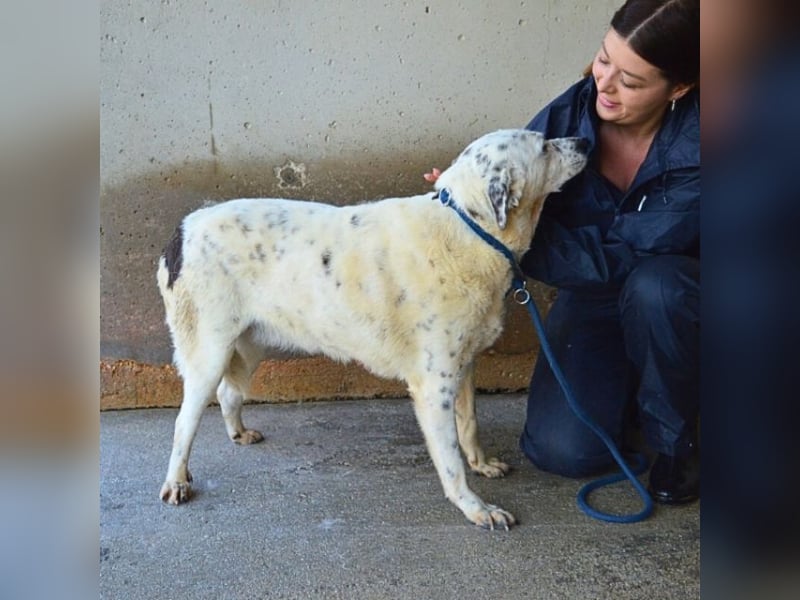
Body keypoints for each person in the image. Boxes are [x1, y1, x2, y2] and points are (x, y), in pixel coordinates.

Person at [427, 0, 700, 504]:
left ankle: (679, 443)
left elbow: (626, 255)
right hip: (594, 291)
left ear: (679, 88)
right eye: (604, 60)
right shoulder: (569, 115)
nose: (605, 85)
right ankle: (633, 396)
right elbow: (511, 191)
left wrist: (506, 237)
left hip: (683, 298)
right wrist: (468, 204)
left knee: (655, 288)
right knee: (562, 451)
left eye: (630, 81)